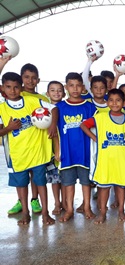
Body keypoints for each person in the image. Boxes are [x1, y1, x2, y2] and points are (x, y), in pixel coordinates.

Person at [0, 72, 57, 225]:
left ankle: (45, 213)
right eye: (8, 87)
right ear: (3, 88)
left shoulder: (32, 101)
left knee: (41, 183)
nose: (12, 91)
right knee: (22, 185)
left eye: (16, 87)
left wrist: (52, 125)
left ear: (21, 87)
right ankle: (25, 212)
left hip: (37, 153)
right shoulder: (2, 108)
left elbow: (53, 109)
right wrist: (9, 128)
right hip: (18, 155)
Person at [80, 89, 125, 223]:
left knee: (121, 187)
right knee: (104, 188)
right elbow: (83, 125)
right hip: (105, 161)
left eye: (118, 100)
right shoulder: (100, 118)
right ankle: (102, 212)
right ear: (107, 102)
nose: (114, 103)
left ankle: (121, 210)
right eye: (111, 100)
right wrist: (95, 138)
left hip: (122, 160)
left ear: (124, 102)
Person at [55, 72, 97, 222]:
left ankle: (87, 207)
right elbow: (54, 132)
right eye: (71, 85)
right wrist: (57, 149)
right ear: (66, 87)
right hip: (67, 153)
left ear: (83, 87)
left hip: (85, 152)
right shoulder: (59, 107)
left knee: (86, 183)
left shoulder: (90, 107)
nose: (75, 88)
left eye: (78, 85)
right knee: (68, 184)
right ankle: (69, 210)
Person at [45, 81, 66, 215]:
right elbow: (53, 134)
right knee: (54, 179)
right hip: (50, 151)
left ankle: (65, 202)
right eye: (52, 90)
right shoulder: (45, 110)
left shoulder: (65, 108)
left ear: (64, 93)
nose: (56, 93)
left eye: (59, 90)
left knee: (64, 179)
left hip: (64, 149)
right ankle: (57, 203)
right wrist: (56, 149)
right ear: (47, 93)